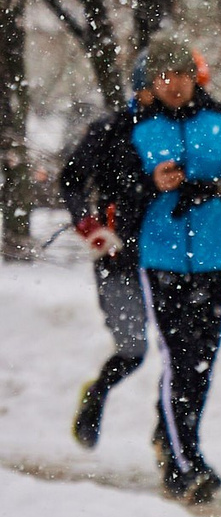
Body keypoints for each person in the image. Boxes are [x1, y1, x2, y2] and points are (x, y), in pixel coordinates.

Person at [123, 33, 221, 502]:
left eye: (182, 74)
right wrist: (150, 183)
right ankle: (186, 462)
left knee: (201, 361)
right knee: (179, 356)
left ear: (195, 76)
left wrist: (217, 187)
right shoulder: (137, 127)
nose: (174, 84)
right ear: (152, 81)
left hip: (214, 257)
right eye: (164, 76)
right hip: (161, 258)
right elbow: (119, 195)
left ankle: (172, 438)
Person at [61, 71, 153, 450]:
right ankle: (96, 394)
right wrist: (88, 224)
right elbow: (71, 179)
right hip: (116, 256)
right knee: (133, 349)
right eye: (158, 81)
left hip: (172, 262)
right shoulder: (110, 130)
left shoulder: (188, 133)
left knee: (181, 358)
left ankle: (170, 438)